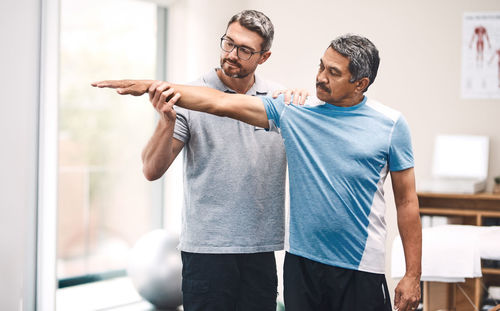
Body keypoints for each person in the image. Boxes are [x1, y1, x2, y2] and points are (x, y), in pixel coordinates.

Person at [93, 34, 422, 311]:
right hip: (302, 266)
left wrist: (411, 274)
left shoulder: (391, 125)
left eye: (333, 72)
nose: (321, 76)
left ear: (360, 83)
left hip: (360, 268)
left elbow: (406, 202)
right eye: (321, 65)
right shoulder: (294, 111)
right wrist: (154, 86)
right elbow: (218, 103)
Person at [97, 10, 303, 311]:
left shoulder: (277, 101)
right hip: (207, 252)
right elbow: (151, 170)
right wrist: (167, 121)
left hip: (260, 251)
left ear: (264, 56)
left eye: (245, 50)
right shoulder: (189, 96)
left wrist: (300, 98)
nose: (232, 55)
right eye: (228, 43)